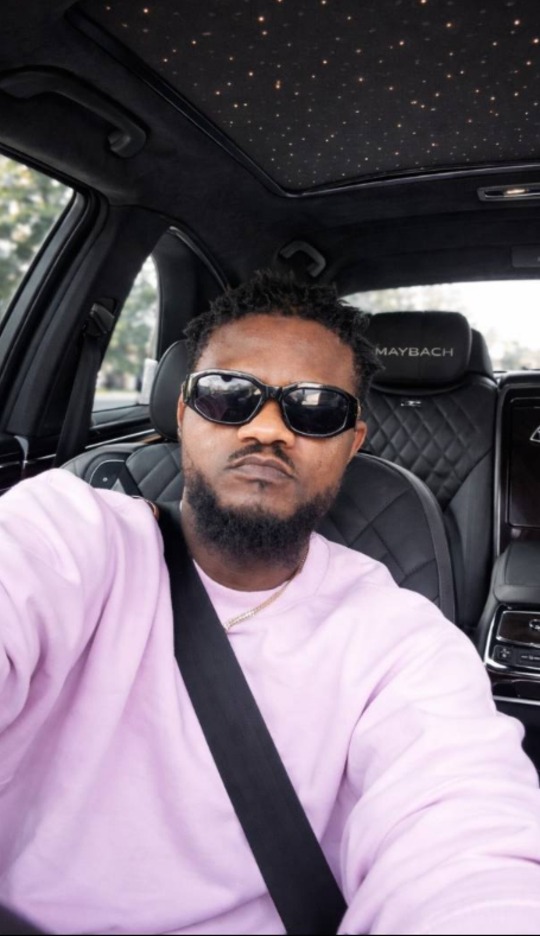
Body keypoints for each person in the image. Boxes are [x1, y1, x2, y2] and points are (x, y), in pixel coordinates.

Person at [1, 270, 540, 936]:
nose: (267, 430)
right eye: (229, 395)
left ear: (352, 443)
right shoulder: (68, 533)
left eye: (315, 409)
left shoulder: (402, 643)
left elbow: (465, 844)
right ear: (183, 414)